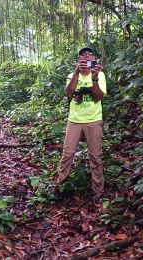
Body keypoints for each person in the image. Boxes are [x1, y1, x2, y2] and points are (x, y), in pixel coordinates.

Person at [56, 46, 107, 204]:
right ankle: (61, 187)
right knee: (67, 154)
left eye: (89, 55)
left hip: (93, 119)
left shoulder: (100, 75)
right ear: (79, 60)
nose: (86, 57)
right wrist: (77, 73)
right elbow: (69, 93)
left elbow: (98, 97)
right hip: (75, 120)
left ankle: (98, 191)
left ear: (94, 59)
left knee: (95, 156)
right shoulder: (72, 75)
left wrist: (95, 77)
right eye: (83, 55)